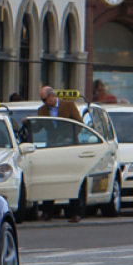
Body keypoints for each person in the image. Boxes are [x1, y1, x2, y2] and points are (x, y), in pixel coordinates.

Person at [35, 85, 86, 223]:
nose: (44, 103)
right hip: (52, 147)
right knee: (50, 179)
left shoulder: (68, 106)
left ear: (52, 96)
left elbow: (79, 124)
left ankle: (75, 212)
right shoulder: (42, 110)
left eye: (45, 99)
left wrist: (69, 137)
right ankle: (47, 212)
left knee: (72, 178)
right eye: (42, 100)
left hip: (69, 147)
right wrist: (28, 123)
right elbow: (38, 128)